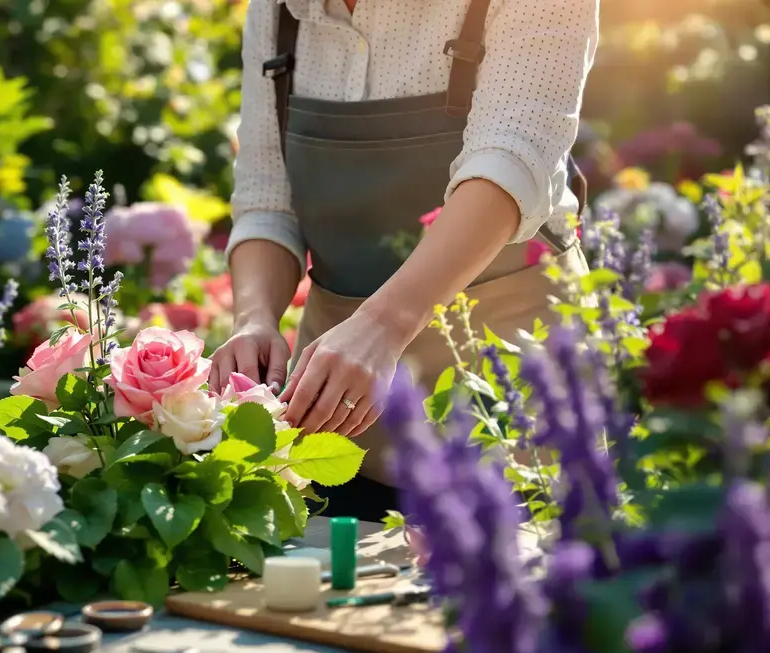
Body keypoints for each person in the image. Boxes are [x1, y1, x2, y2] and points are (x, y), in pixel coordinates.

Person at [209, 0, 599, 522]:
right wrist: (254, 319)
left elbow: (513, 165)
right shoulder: (281, 9)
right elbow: (265, 197)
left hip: (514, 403)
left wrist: (382, 325)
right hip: (338, 424)